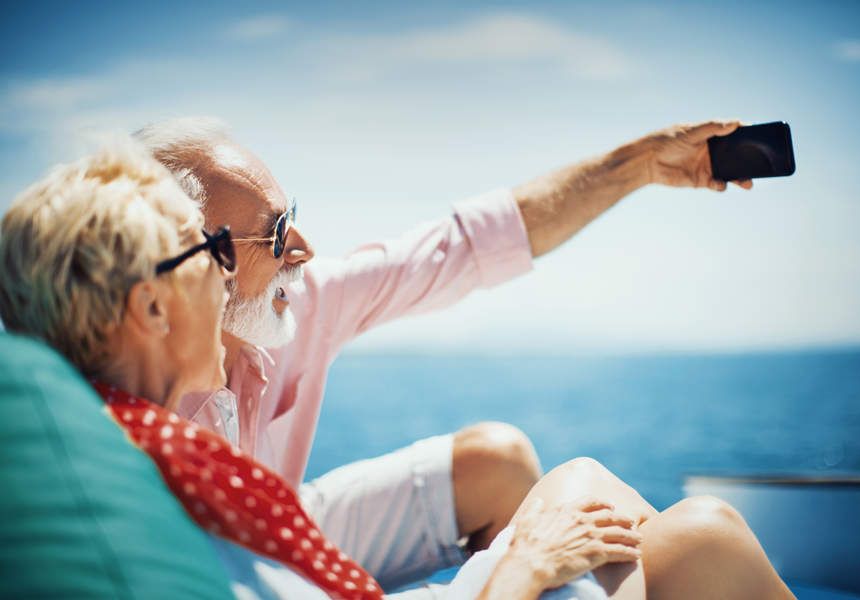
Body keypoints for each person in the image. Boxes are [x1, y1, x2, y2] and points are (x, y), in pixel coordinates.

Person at [0, 142, 794, 599]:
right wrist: (524, 565)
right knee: (700, 537)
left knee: (581, 489)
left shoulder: (110, 456)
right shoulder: (165, 495)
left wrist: (641, 163)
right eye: (208, 254)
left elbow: (460, 245)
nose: (297, 256)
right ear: (148, 309)